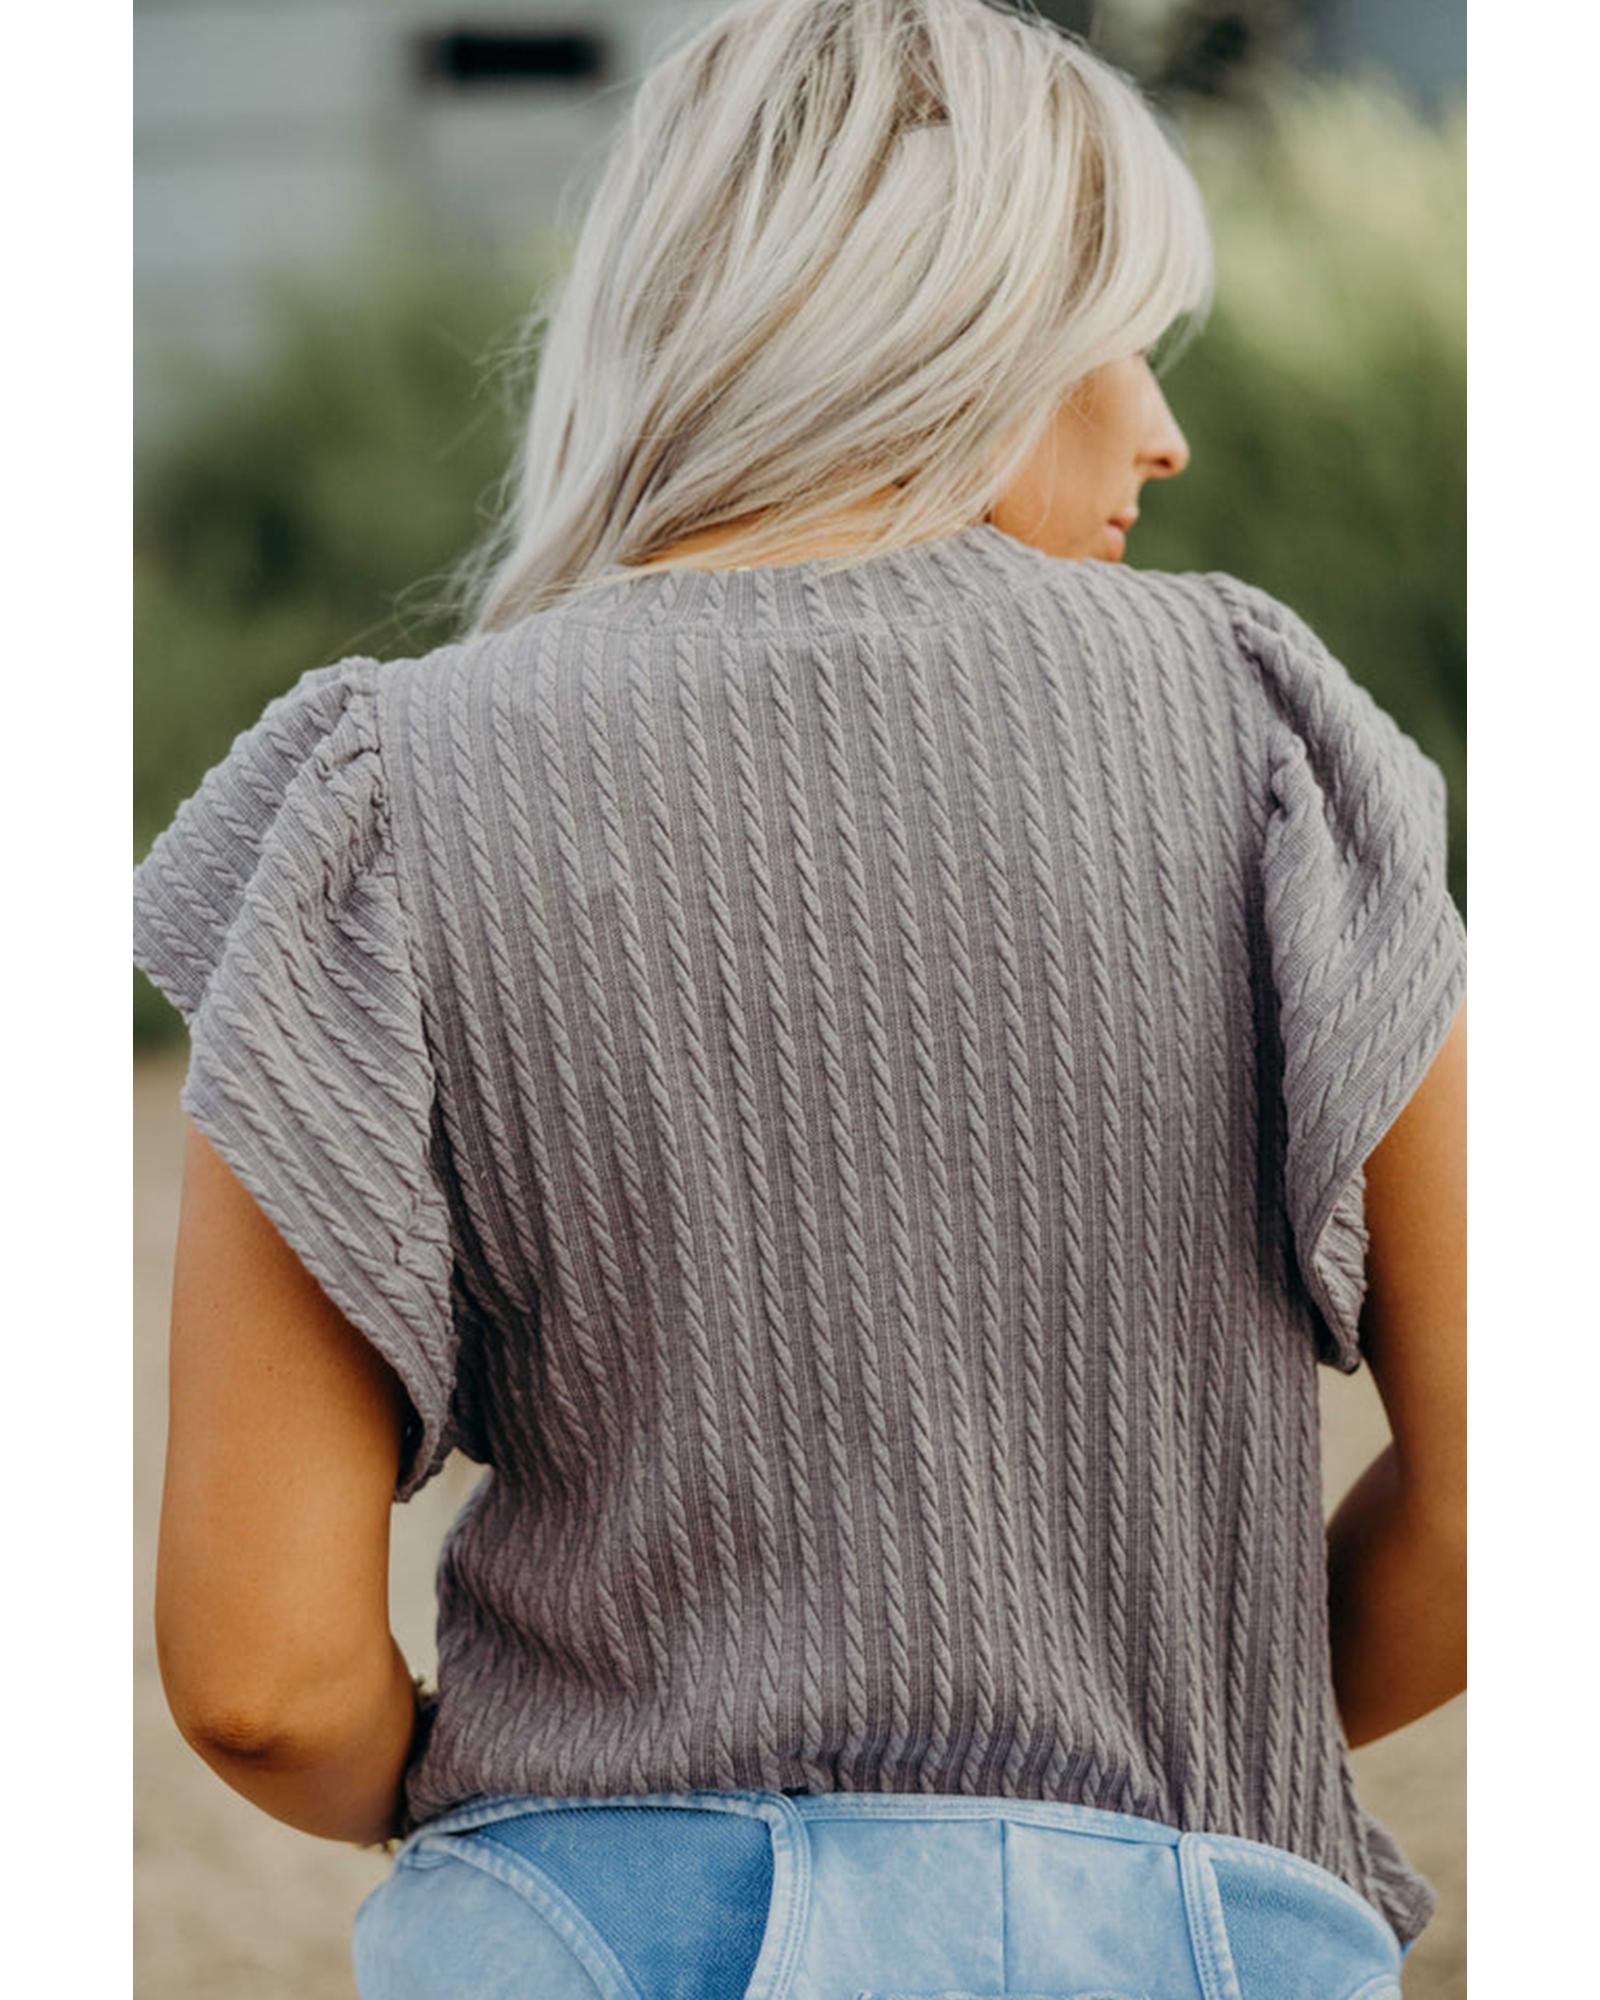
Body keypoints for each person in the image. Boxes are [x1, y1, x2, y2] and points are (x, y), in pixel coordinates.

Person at [130, 2, 1466, 1995]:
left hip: (574, 1930)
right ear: (945, 328)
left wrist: (561, 1802)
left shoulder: (384, 795)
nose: (1158, 430)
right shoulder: (1264, 731)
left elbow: (262, 1680)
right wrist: (1164, 1751)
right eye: (1107, 337)